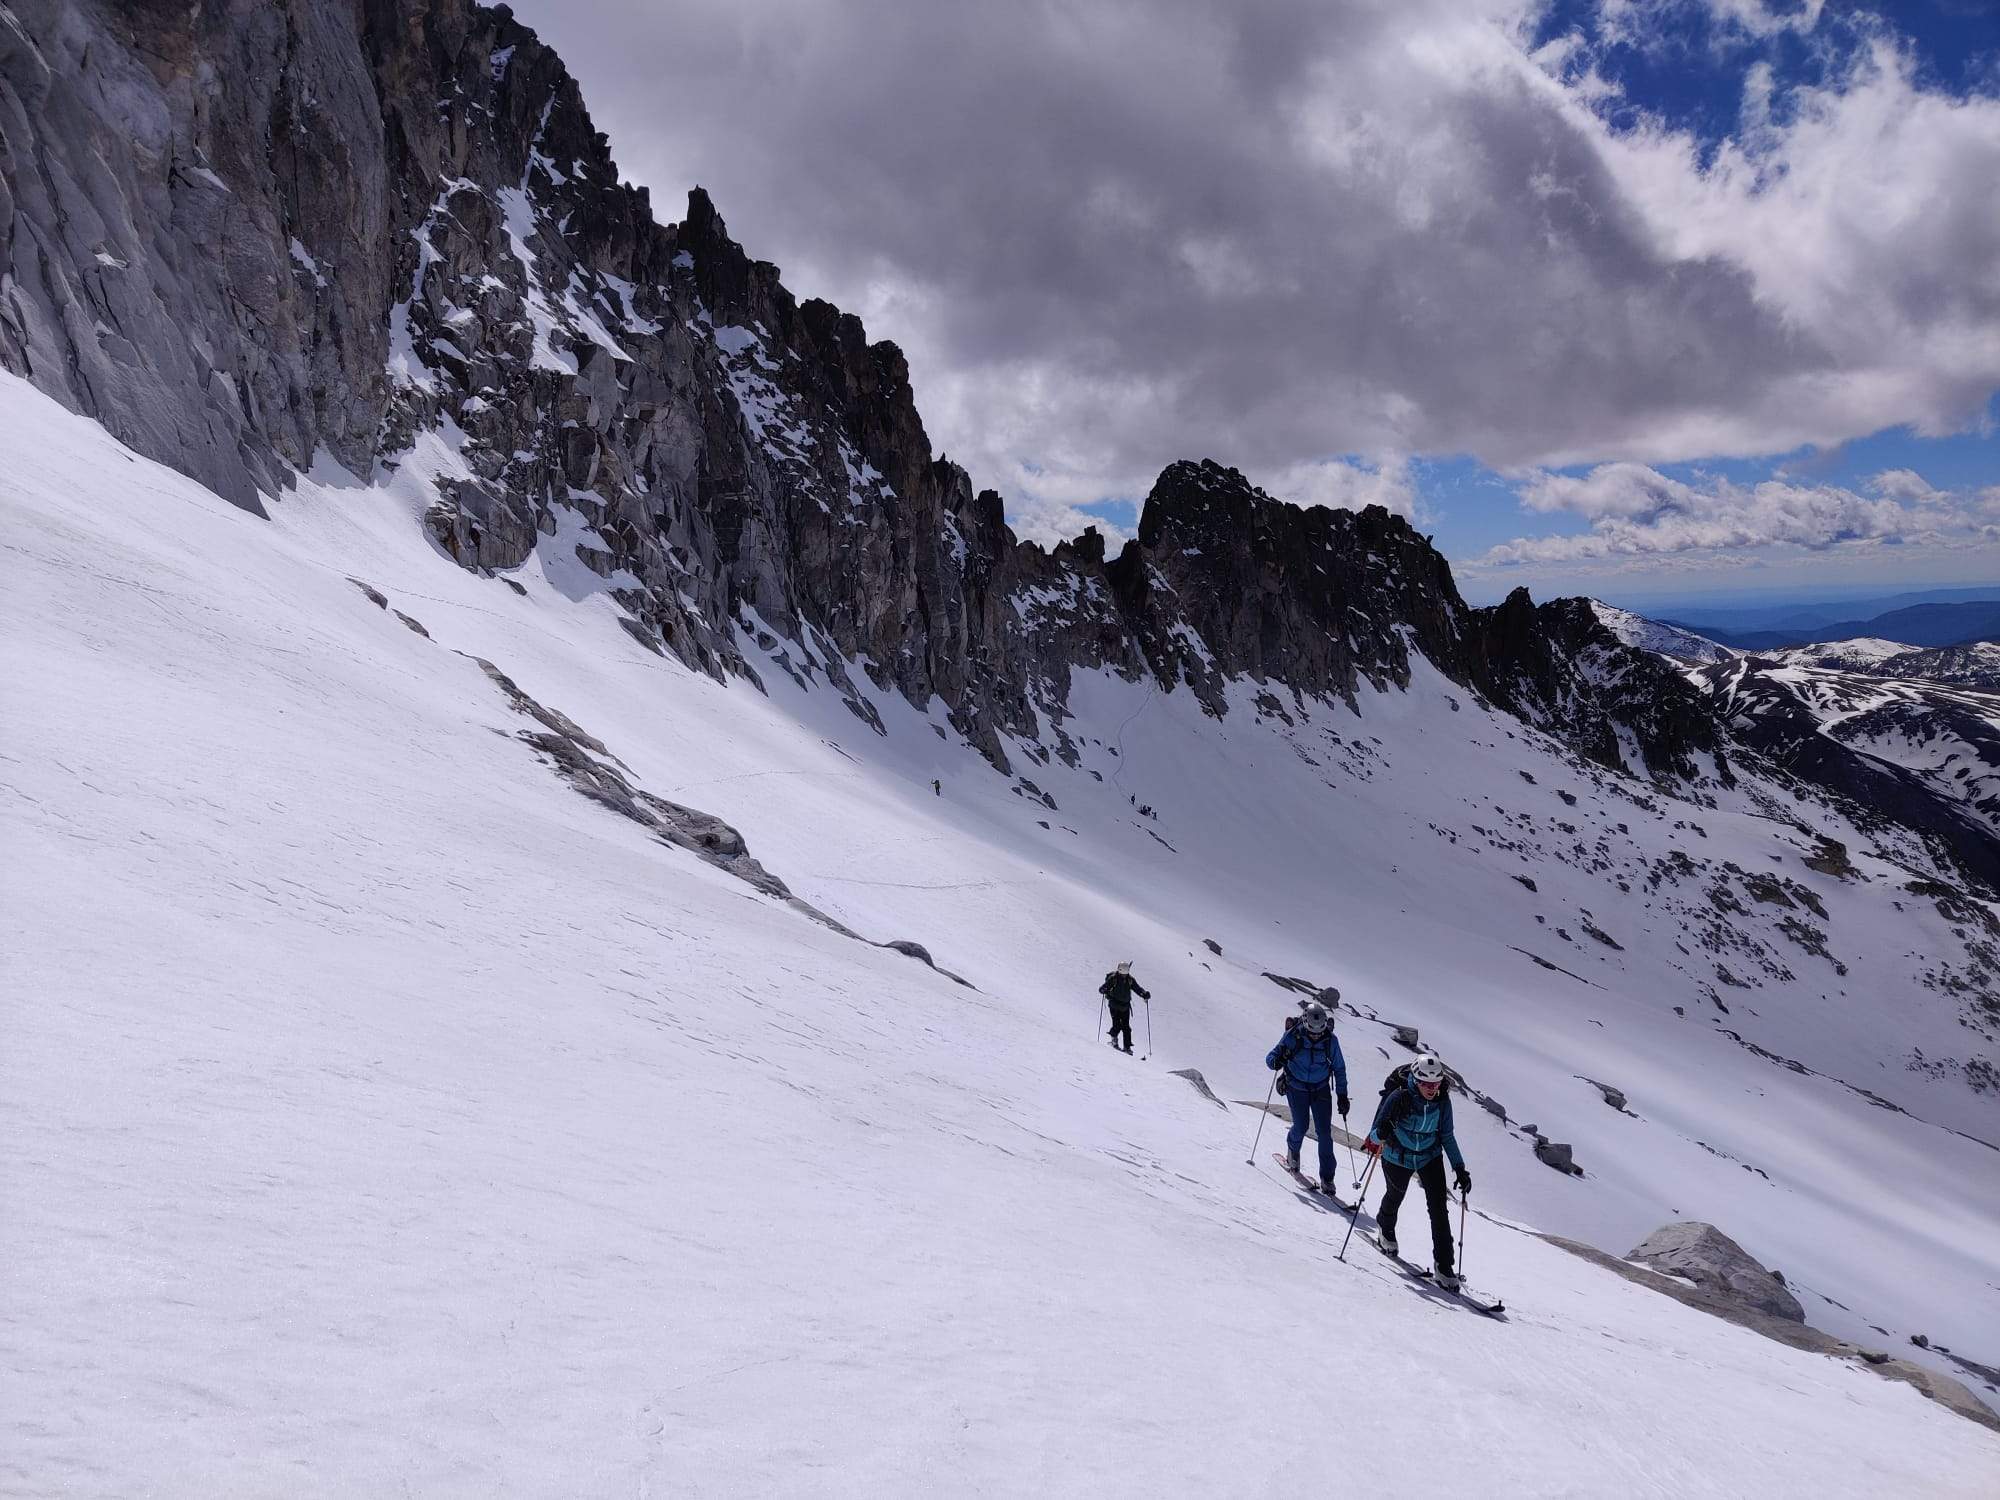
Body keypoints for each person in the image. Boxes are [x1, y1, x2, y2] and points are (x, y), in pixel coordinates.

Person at [1362, 1053, 1471, 1290]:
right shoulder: (1399, 1097)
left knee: (1439, 1209)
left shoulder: (1442, 1102)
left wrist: (1460, 1168)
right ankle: (1385, 1226)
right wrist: (1383, 1130)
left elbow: (1447, 1136)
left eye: (1436, 1084)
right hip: (1397, 1155)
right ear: (1416, 1080)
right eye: (1426, 1084)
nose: (1432, 1089)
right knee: (1395, 1195)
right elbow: (1374, 1135)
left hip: (1429, 1157)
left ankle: (1444, 1265)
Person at [1265, 1000, 1349, 1193]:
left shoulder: (1330, 1041)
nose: (1316, 1034)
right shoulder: (1293, 1036)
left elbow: (1339, 1068)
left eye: (1319, 1031)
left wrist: (1342, 1095)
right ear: (1304, 1023)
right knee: (1301, 1126)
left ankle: (1328, 1178)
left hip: (1320, 1089)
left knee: (1324, 1133)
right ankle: (1293, 1152)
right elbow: (1271, 1059)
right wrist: (1278, 1060)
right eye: (1312, 1031)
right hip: (1296, 1087)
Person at [1099, 961, 1150, 1053]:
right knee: (1119, 1025)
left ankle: (1125, 1046)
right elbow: (1137, 989)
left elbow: (1137, 988)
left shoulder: (1129, 979)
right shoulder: (1114, 978)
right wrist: (1144, 994)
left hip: (1124, 1007)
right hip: (1115, 1006)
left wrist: (1144, 993)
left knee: (1125, 1027)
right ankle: (1120, 1044)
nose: (1123, 976)